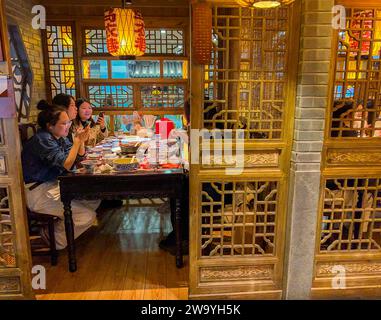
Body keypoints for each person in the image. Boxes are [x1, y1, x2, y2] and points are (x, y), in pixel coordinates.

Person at [22, 101, 100, 250]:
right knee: (87, 216)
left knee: (94, 197)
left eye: (69, 122)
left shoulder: (59, 137)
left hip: (53, 186)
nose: (68, 126)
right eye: (64, 123)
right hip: (37, 192)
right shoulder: (43, 139)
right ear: (50, 125)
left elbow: (78, 160)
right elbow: (66, 164)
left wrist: (81, 142)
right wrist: (77, 142)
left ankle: (60, 228)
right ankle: (51, 239)